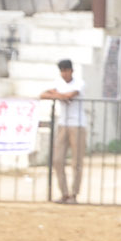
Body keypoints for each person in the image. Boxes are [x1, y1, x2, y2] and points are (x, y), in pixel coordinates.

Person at [39, 59, 86, 204]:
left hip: (77, 124)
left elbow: (69, 96)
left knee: (76, 162)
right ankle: (64, 193)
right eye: (62, 71)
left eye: (66, 71)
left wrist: (57, 94)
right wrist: (61, 96)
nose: (64, 74)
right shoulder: (58, 83)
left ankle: (74, 194)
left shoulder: (79, 83)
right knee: (57, 160)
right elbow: (43, 95)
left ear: (71, 71)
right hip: (63, 124)